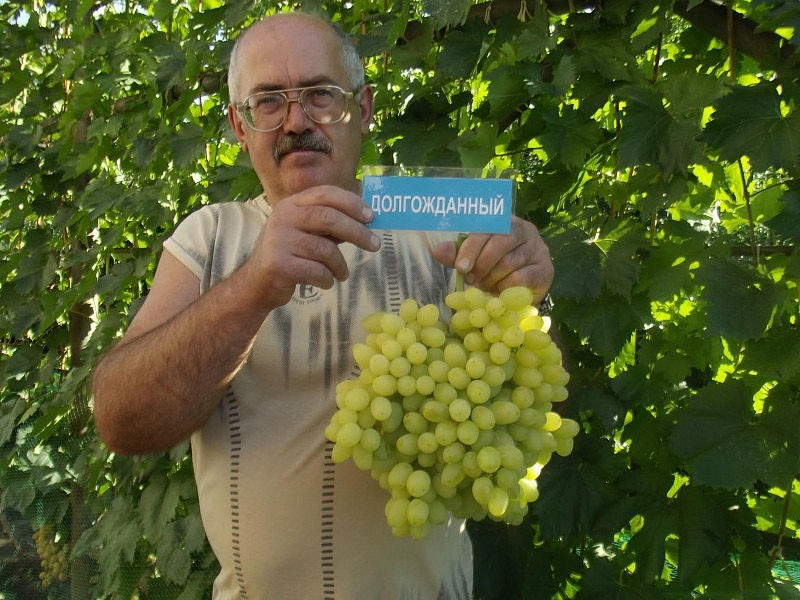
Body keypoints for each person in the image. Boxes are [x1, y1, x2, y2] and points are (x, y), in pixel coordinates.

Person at [91, 11, 554, 599]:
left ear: (361, 109)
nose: (294, 121)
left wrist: (526, 296)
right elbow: (120, 418)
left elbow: (530, 405)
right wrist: (254, 285)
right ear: (239, 125)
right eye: (267, 102)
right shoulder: (207, 238)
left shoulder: (444, 225)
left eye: (318, 95)